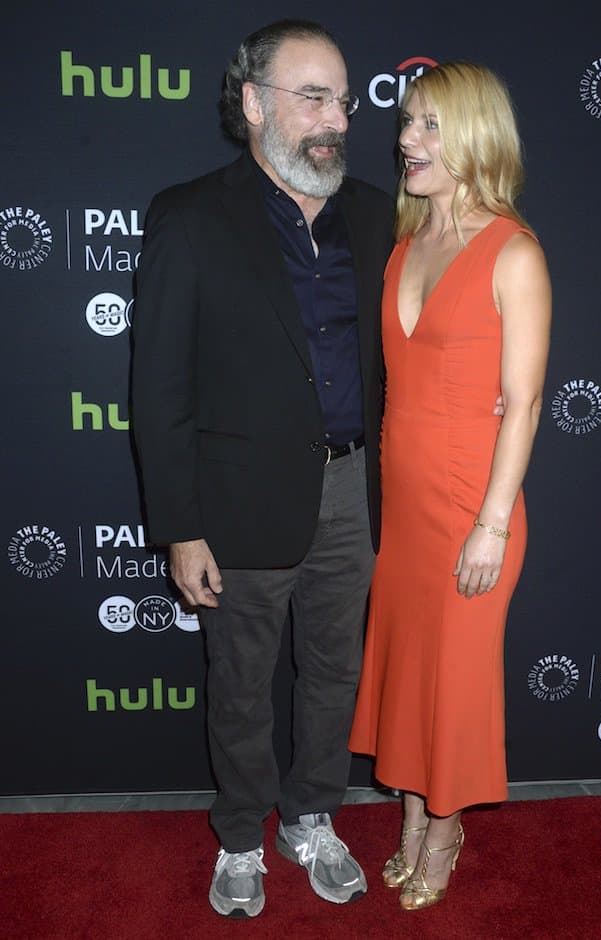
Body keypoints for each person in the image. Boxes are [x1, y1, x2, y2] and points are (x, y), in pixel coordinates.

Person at [131, 20, 395, 918]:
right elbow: (158, 388)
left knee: (334, 672)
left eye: (344, 100)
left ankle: (311, 816)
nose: (337, 118)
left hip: (357, 493)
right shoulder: (192, 217)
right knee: (240, 683)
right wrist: (179, 524)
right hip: (237, 505)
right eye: (312, 96)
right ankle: (242, 833)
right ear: (253, 104)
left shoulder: (375, 212)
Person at [349, 61, 551, 912]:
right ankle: (410, 816)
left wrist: (492, 524)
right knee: (407, 677)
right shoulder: (404, 245)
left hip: (475, 509)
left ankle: (444, 827)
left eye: (430, 126)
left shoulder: (515, 252)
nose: (405, 140)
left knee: (455, 685)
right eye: (408, 124)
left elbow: (526, 400)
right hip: (404, 509)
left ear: (474, 136)